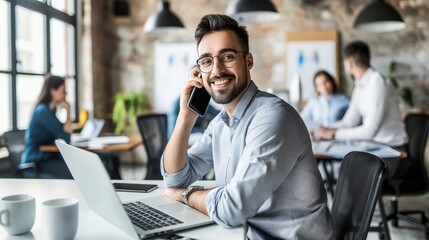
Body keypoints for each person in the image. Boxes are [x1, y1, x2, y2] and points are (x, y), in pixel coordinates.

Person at [162, 14, 334, 239]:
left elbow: (232, 209)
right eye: (206, 61)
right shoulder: (221, 123)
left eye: (227, 57)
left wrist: (185, 195)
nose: (216, 70)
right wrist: (185, 117)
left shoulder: (273, 118)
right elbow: (175, 179)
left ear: (248, 61)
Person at [22, 74, 121, 179]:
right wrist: (68, 110)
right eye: (63, 90)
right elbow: (66, 136)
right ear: (53, 91)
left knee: (109, 159)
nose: (66, 93)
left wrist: (68, 111)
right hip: (36, 161)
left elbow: (65, 133)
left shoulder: (50, 111)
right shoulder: (42, 111)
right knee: (79, 170)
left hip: (49, 156)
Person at [313, 40, 408, 148]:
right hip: (376, 145)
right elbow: (349, 122)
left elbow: (369, 131)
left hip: (392, 146)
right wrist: (326, 129)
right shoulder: (360, 86)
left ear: (349, 64)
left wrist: (334, 134)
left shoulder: (377, 82)